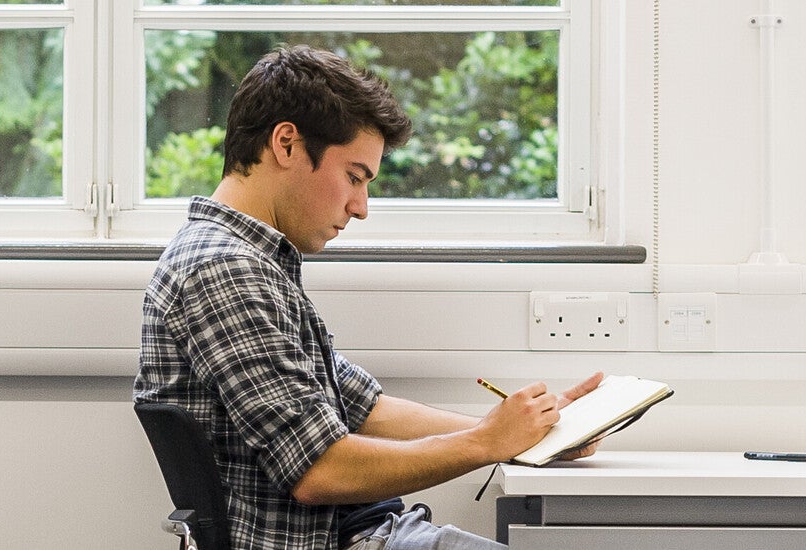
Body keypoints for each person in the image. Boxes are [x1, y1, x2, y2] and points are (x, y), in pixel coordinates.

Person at [134, 44, 606, 550]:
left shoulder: (252, 263)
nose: (360, 207)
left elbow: (366, 406)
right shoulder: (225, 270)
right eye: (354, 177)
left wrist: (524, 436)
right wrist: (485, 441)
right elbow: (318, 470)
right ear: (287, 144)